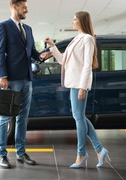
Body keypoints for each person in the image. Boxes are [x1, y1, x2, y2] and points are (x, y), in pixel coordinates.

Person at [44, 11, 111, 169]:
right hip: (73, 82)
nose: (72, 21)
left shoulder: (87, 39)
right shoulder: (77, 38)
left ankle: (81, 154)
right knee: (79, 117)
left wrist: (82, 86)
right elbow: (64, 62)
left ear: (81, 21)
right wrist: (52, 46)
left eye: (75, 19)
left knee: (79, 118)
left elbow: (87, 64)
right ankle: (99, 150)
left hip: (79, 84)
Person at [0, 0, 48, 169]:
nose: (26, 10)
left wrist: (41, 56)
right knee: (5, 118)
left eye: (26, 7)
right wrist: (3, 76)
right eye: (24, 7)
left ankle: (20, 152)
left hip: (27, 79)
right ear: (14, 7)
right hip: (11, 79)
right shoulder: (3, 27)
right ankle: (1, 155)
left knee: (23, 119)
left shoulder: (28, 29)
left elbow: (32, 52)